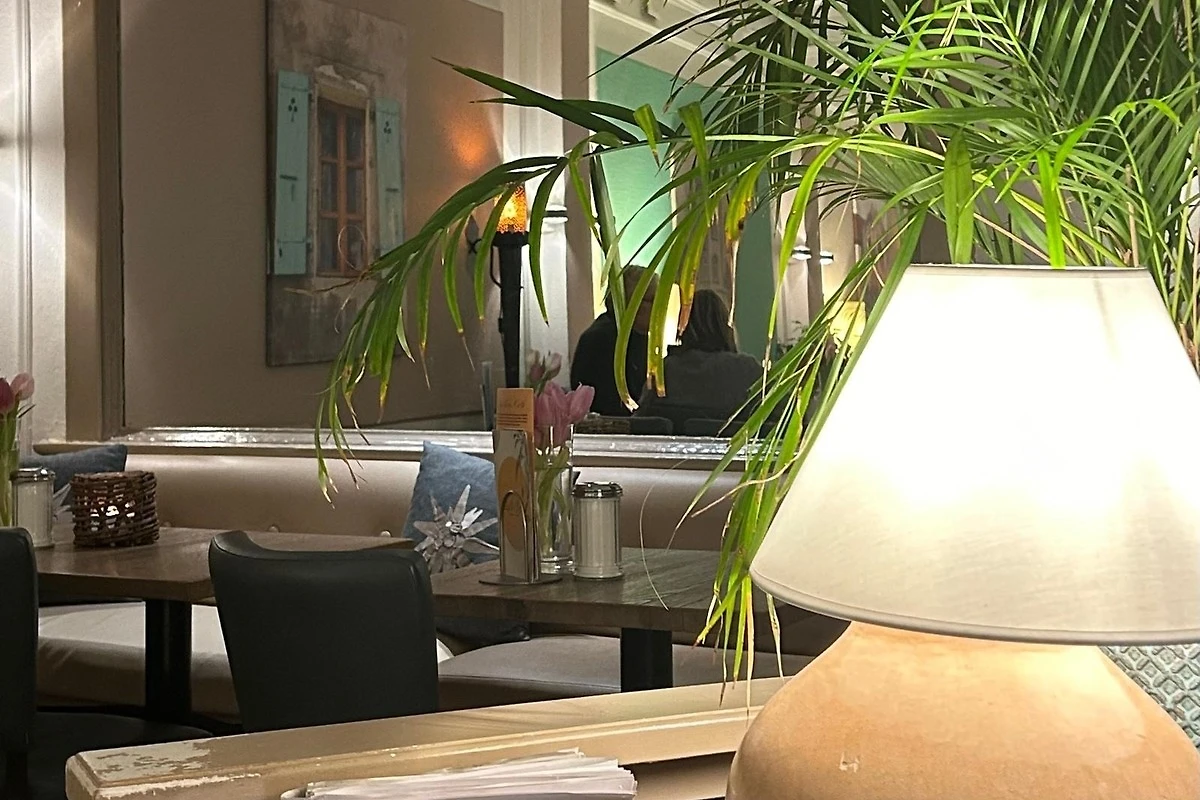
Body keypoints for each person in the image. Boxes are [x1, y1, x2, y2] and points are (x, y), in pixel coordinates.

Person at [635, 289, 761, 433]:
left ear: (684, 326)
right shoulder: (749, 370)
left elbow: (641, 423)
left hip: (675, 446)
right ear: (725, 325)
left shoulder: (664, 372)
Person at [570, 266, 658, 417]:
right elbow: (611, 404)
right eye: (651, 300)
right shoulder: (602, 339)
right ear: (631, 302)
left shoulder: (637, 335)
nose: (659, 307)